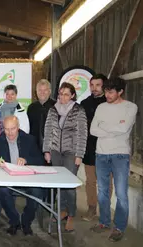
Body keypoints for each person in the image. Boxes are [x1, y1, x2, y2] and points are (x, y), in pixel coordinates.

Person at [90, 77, 137, 242]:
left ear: (120, 92)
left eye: (110, 92)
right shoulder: (101, 107)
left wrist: (105, 127)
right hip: (101, 154)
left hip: (120, 155)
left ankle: (119, 227)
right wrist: (114, 128)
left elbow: (124, 128)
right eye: (106, 92)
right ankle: (104, 221)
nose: (107, 95)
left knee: (121, 193)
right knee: (102, 192)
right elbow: (93, 130)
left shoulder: (130, 107)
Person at [0, 116, 44, 236]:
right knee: (2, 190)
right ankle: (14, 221)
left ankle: (26, 221)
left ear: (18, 127)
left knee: (37, 192)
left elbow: (40, 160)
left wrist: (26, 160)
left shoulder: (29, 140)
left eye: (13, 129)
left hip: (27, 178)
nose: (10, 133)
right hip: (7, 178)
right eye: (6, 129)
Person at [43, 82, 87, 232]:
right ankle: (62, 210)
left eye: (66, 94)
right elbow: (48, 130)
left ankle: (71, 215)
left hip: (71, 153)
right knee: (59, 184)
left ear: (73, 95)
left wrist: (79, 155)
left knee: (69, 186)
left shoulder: (78, 111)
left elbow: (82, 135)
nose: (63, 97)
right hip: (55, 151)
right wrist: (46, 151)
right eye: (61, 94)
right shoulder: (53, 110)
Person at [80, 74, 113, 222]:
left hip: (108, 148)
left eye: (97, 85)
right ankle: (91, 208)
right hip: (90, 148)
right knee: (91, 181)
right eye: (92, 85)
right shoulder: (85, 103)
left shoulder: (111, 102)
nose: (94, 88)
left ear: (104, 86)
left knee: (106, 181)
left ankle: (105, 210)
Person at [27, 79, 56, 151]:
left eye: (45, 90)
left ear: (49, 91)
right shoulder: (31, 107)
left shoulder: (56, 106)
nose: (42, 92)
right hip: (34, 146)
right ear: (36, 92)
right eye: (40, 90)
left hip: (52, 147)